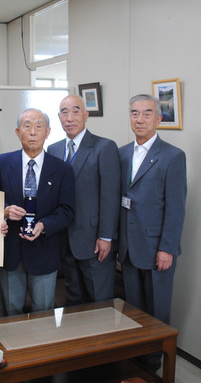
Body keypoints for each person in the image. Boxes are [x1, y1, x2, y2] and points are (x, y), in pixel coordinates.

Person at [118, 94, 187, 372]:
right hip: (129, 247)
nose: (140, 119)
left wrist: (167, 248)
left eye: (147, 114)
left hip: (157, 247)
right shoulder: (121, 153)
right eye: (135, 113)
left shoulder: (172, 156)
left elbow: (176, 207)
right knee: (134, 309)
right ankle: (136, 358)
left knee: (157, 310)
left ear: (158, 119)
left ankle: (154, 363)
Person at [0, 108, 75, 316]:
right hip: (11, 251)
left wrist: (44, 225)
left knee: (43, 312)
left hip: (45, 250)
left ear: (48, 132)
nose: (33, 132)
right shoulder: (1, 162)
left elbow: (67, 211)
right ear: (18, 132)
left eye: (38, 126)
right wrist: (5, 211)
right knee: (10, 311)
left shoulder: (62, 169)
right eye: (27, 126)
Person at [48, 95, 120, 305]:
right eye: (64, 112)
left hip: (94, 242)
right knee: (74, 302)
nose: (69, 118)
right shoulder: (54, 149)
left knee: (100, 303)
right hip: (65, 241)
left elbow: (110, 196)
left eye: (75, 111)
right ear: (59, 117)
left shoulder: (104, 147)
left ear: (86, 115)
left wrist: (106, 237)